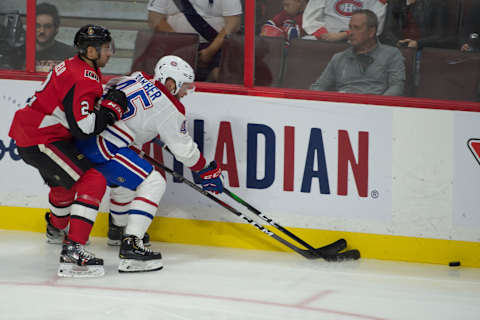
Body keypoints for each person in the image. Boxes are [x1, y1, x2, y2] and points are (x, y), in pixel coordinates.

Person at [74, 55, 224, 273]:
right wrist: (203, 169)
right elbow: (183, 149)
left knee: (129, 178)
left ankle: (118, 229)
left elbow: (111, 92)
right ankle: (132, 245)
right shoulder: (170, 108)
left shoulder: (137, 77)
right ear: (171, 83)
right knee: (154, 181)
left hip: (87, 137)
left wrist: (141, 131)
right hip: (105, 148)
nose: (186, 93)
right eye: (184, 86)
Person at [8, 24, 127, 278]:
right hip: (41, 137)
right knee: (93, 181)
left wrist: (102, 101)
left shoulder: (73, 65)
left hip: (32, 132)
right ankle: (73, 252)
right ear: (91, 51)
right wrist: (110, 111)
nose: (110, 53)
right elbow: (84, 128)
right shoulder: (85, 77)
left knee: (64, 185)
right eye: (106, 48)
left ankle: (55, 229)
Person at [310, 9, 405, 96]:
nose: (350, 32)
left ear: (371, 31)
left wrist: (379, 105)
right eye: (350, 27)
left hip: (376, 107)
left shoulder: (392, 54)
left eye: (356, 28)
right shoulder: (339, 58)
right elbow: (318, 86)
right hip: (344, 107)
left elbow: (397, 86)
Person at [146, 0, 242, 82]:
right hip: (175, 45)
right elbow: (155, 18)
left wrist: (210, 51)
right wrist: (182, 46)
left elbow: (233, 23)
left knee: (220, 75)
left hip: (217, 46)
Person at [11, 2, 76, 71]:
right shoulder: (19, 52)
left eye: (47, 26)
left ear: (56, 29)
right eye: (37, 26)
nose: (42, 31)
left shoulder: (69, 53)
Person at [302, 0, 387, 42]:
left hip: (360, 42)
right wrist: (325, 35)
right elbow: (310, 20)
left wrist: (345, 34)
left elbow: (375, 26)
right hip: (325, 39)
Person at [380, 0, 451, 49]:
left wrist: (418, 43)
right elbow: (387, 31)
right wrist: (397, 42)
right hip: (398, 48)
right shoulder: (395, 2)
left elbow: (441, 35)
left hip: (424, 50)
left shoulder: (437, 3)